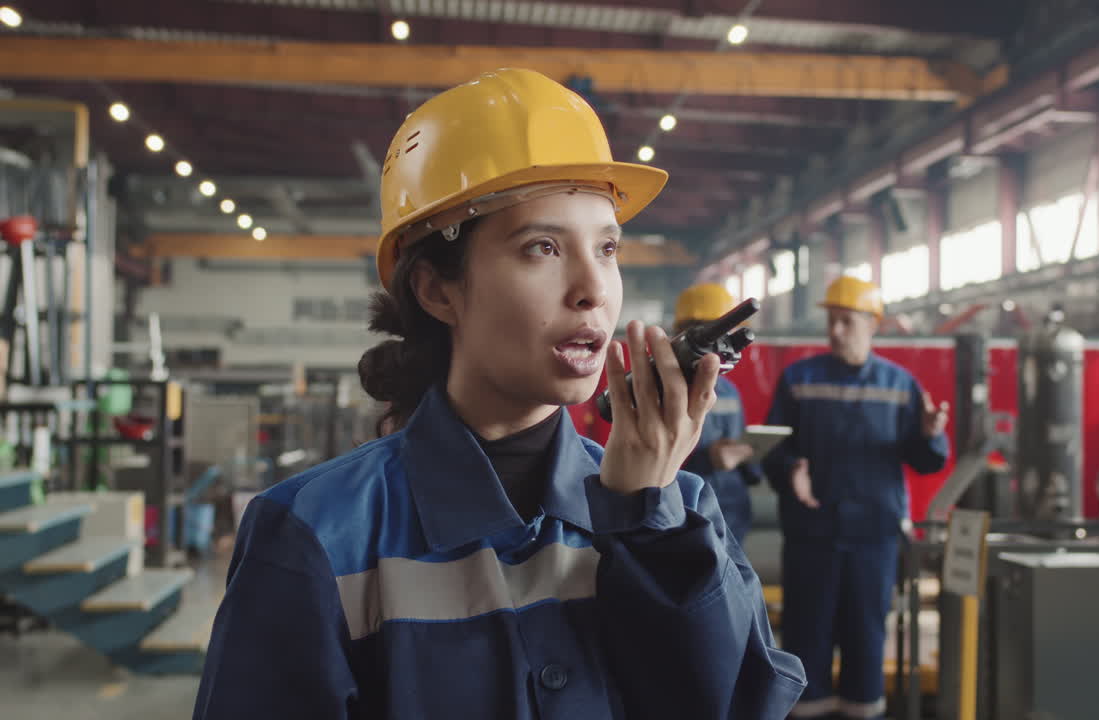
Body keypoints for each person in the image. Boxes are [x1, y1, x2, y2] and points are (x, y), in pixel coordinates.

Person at [193, 68, 804, 720]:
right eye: (542, 247)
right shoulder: (312, 535)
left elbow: (737, 705)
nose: (592, 289)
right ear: (437, 290)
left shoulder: (679, 510)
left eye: (606, 248)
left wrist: (647, 527)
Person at [763, 275, 949, 720]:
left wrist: (929, 436)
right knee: (807, 635)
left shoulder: (900, 385)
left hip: (873, 536)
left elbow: (923, 462)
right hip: (812, 534)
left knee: (866, 636)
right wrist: (791, 469)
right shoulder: (799, 380)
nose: (836, 331)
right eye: (831, 321)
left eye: (846, 321)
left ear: (872, 324)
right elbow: (771, 448)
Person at [672, 283, 761, 546]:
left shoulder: (729, 389)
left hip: (732, 516)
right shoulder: (664, 389)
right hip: (684, 517)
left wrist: (750, 457)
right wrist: (707, 459)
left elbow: (740, 448)